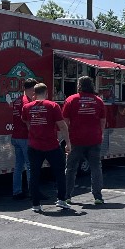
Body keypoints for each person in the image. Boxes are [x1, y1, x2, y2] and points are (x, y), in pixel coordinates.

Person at [22, 83, 71, 213]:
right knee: (60, 172)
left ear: (34, 94)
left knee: (34, 174)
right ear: (47, 93)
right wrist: (68, 143)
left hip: (34, 145)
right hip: (51, 145)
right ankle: (61, 199)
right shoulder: (53, 106)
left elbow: (27, 123)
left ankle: (36, 204)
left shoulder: (27, 107)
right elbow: (62, 126)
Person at [62, 76, 107, 206]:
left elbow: (64, 121)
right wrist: (101, 134)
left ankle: (67, 196)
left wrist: (67, 140)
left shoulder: (71, 100)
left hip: (76, 139)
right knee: (95, 168)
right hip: (94, 139)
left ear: (79, 86)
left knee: (71, 168)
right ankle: (98, 197)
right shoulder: (98, 101)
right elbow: (102, 120)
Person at [10, 78, 37, 200]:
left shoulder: (17, 100)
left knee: (18, 166)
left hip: (15, 136)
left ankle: (17, 191)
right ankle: (33, 191)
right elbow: (28, 121)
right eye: (34, 90)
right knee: (30, 165)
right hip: (24, 137)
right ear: (31, 89)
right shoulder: (27, 102)